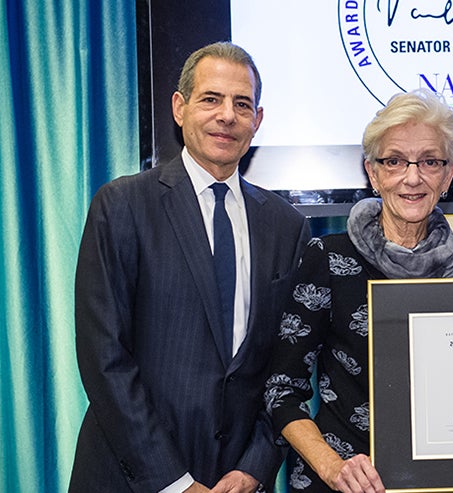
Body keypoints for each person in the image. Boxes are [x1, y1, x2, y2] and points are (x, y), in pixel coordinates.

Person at [70, 42, 310, 492]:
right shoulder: (122, 205)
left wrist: (254, 468)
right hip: (131, 478)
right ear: (180, 108)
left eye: (242, 104)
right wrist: (177, 483)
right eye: (211, 99)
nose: (227, 116)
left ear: (257, 121)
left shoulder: (287, 227)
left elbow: (285, 369)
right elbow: (105, 358)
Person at [264, 88, 453, 493]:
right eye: (395, 161)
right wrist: (334, 468)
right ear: (373, 171)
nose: (412, 177)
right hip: (341, 481)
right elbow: (282, 389)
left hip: (445, 484)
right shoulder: (327, 257)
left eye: (431, 161)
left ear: (450, 173)